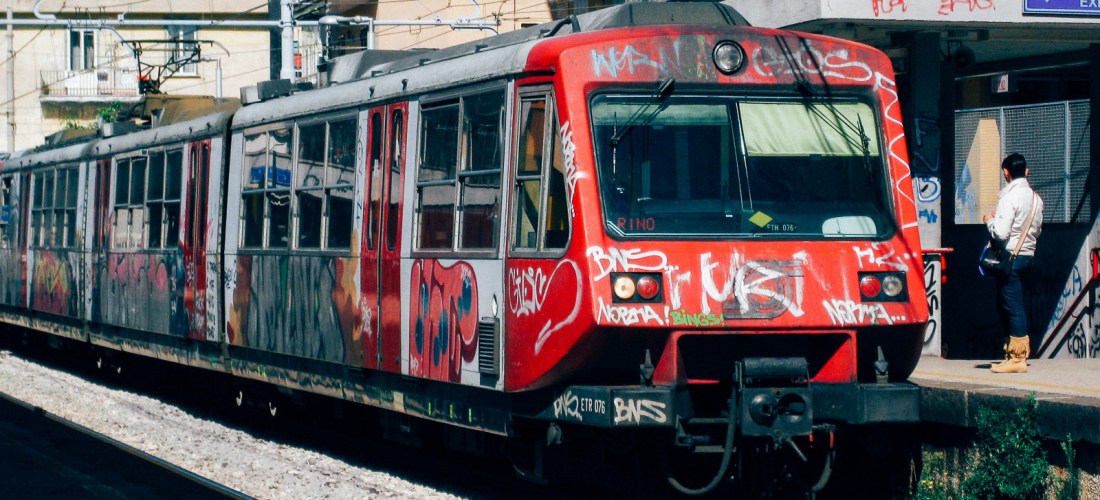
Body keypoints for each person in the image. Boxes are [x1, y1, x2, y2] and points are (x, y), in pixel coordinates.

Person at [982, 153, 1043, 374]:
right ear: (1026, 171)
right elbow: (1037, 230)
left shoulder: (1009, 197)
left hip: (1011, 259)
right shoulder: (1036, 198)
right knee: (1012, 304)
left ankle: (1017, 358)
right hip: (1027, 256)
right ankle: (1012, 353)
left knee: (1012, 306)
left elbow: (1000, 232)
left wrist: (989, 220)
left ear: (1006, 172)